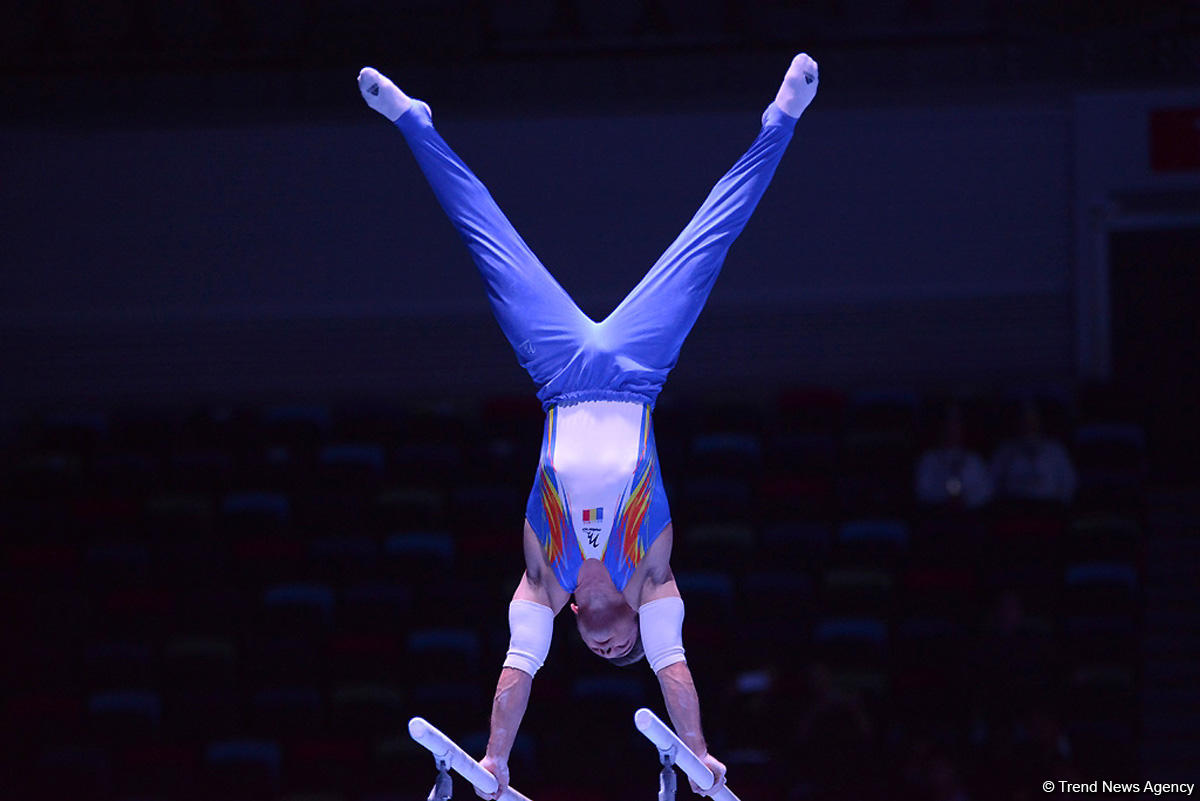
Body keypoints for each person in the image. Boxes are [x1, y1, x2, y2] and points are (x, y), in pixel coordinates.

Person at [357, 52, 819, 798]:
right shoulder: (654, 576)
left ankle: (414, 122)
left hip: (558, 376)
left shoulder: (542, 586)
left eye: (599, 652)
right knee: (712, 238)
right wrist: (697, 748)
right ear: (637, 618)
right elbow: (674, 669)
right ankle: (784, 120)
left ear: (579, 620)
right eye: (622, 651)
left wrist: (496, 758)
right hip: (639, 372)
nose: (610, 649)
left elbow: (516, 670)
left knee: (485, 240)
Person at [990, 397, 1077, 505]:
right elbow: (993, 486)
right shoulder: (1004, 452)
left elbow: (1068, 485)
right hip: (1014, 512)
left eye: (1032, 418)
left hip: (1050, 511)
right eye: (1024, 419)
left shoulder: (1056, 450)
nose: (1028, 423)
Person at [915, 403, 993, 510]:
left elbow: (985, 491)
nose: (952, 431)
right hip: (937, 514)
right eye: (948, 426)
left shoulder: (974, 460)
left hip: (970, 514)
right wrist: (944, 499)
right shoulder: (929, 459)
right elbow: (922, 490)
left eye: (956, 426)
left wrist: (965, 500)